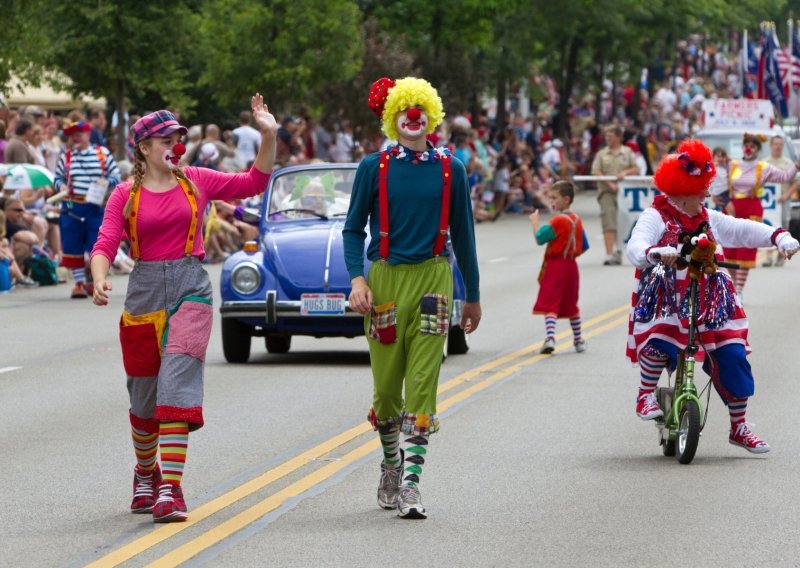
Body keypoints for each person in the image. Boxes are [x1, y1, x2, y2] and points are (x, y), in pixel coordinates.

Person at [89, 95, 278, 523]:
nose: (176, 145)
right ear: (143, 148)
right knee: (143, 396)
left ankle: (170, 490)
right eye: (166, 139)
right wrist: (100, 276)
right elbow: (105, 243)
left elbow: (255, 180)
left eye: (179, 137)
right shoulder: (125, 193)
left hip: (191, 288)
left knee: (176, 390)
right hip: (143, 293)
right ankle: (145, 472)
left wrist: (268, 133)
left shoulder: (196, 180)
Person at [344, 77, 481, 519]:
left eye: (420, 109)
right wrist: (356, 280)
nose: (413, 116)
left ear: (431, 116)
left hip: (434, 282)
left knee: (422, 383)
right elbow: (351, 230)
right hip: (384, 283)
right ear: (393, 116)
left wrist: (473, 296)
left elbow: (464, 235)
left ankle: (411, 486)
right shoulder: (374, 166)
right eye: (405, 109)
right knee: (386, 391)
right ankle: (390, 462)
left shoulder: (450, 168)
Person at [626, 139, 799, 453]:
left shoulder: (707, 216)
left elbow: (741, 228)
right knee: (660, 337)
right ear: (682, 190)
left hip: (711, 298)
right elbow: (635, 245)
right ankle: (644, 395)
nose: (706, 193)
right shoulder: (657, 215)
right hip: (669, 297)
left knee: (733, 355)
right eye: (700, 189)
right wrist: (653, 252)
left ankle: (739, 427)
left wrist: (779, 235)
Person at [721, 133, 798, 296]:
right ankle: (733, 288)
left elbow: (785, 177)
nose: (749, 149)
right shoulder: (732, 165)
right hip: (732, 209)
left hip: (751, 210)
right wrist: (725, 201)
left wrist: (796, 166)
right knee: (728, 251)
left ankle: (739, 290)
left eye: (753, 146)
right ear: (742, 147)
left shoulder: (763, 167)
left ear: (757, 149)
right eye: (746, 145)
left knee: (745, 250)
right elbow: (719, 184)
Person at [54, 121, 120, 298]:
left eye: (78, 134)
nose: (75, 138)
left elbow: (116, 175)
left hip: (95, 205)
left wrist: (107, 182)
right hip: (71, 204)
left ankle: (93, 280)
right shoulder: (66, 157)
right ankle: (79, 283)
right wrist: (61, 187)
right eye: (72, 135)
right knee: (72, 242)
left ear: (87, 135)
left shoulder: (102, 153)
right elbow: (57, 178)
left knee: (95, 242)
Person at [528, 181, 588, 354]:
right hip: (571, 265)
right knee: (571, 302)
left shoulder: (558, 220)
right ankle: (578, 340)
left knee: (550, 301)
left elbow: (540, 238)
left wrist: (535, 222)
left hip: (556, 265)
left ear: (566, 199)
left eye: (554, 198)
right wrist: (572, 254)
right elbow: (584, 245)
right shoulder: (577, 219)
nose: (551, 201)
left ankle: (550, 337)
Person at [591, 124, 639, 265]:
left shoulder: (627, 152)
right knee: (609, 222)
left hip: (624, 193)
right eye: (607, 136)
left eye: (611, 136)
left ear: (619, 137)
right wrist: (609, 183)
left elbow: (636, 168)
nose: (608, 139)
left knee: (623, 222)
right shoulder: (602, 154)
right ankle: (608, 253)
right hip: (607, 192)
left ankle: (618, 251)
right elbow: (596, 171)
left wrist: (625, 173)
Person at [763, 136, 800, 267]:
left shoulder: (788, 163)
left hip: (783, 201)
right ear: (771, 145)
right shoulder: (764, 163)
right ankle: (768, 256)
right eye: (776, 144)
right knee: (767, 227)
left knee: (783, 226)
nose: (778, 146)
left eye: (780, 144)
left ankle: (780, 254)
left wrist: (786, 194)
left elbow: (796, 183)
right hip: (769, 203)